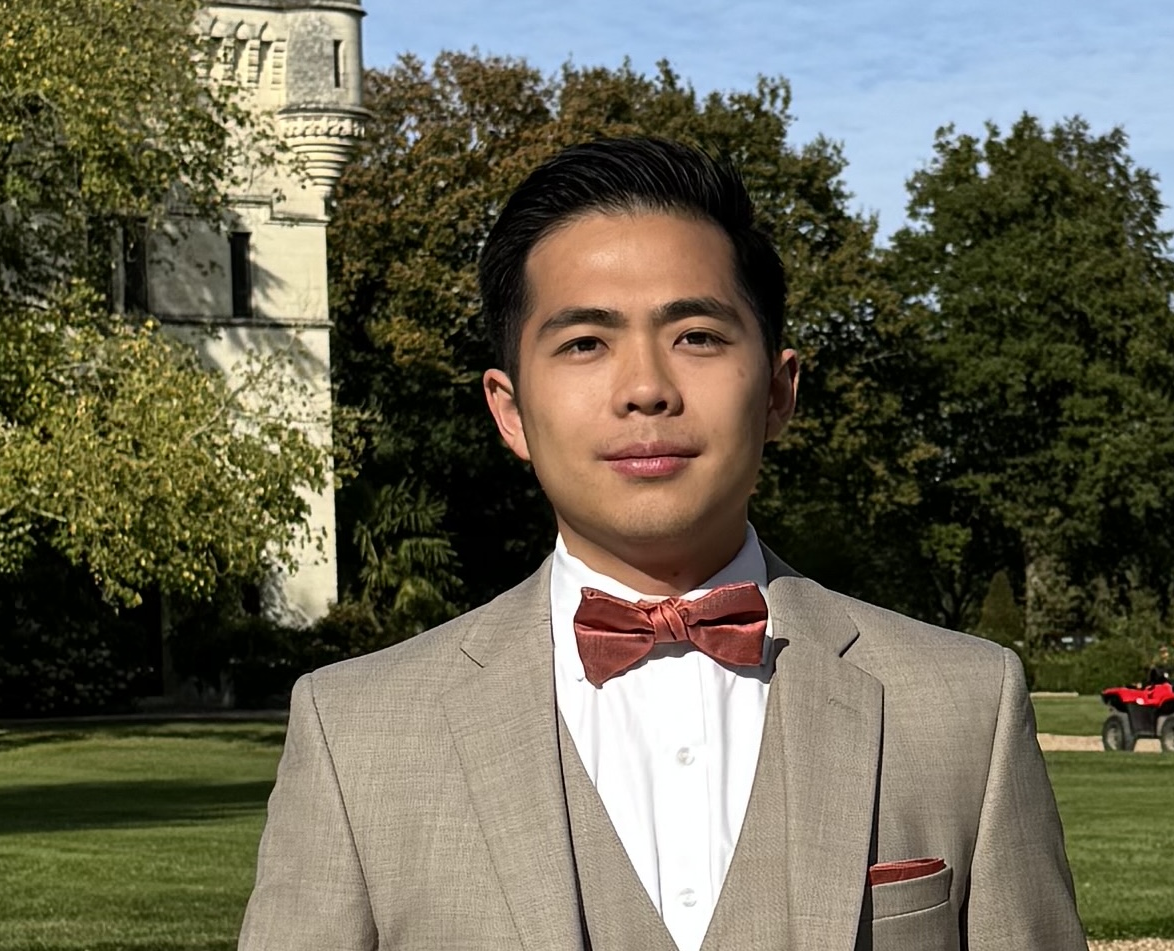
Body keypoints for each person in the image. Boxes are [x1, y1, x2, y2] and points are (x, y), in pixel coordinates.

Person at [239, 137, 1087, 951]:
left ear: (778, 392)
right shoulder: (355, 734)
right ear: (511, 410)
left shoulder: (964, 706)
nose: (645, 388)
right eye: (584, 343)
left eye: (697, 337)